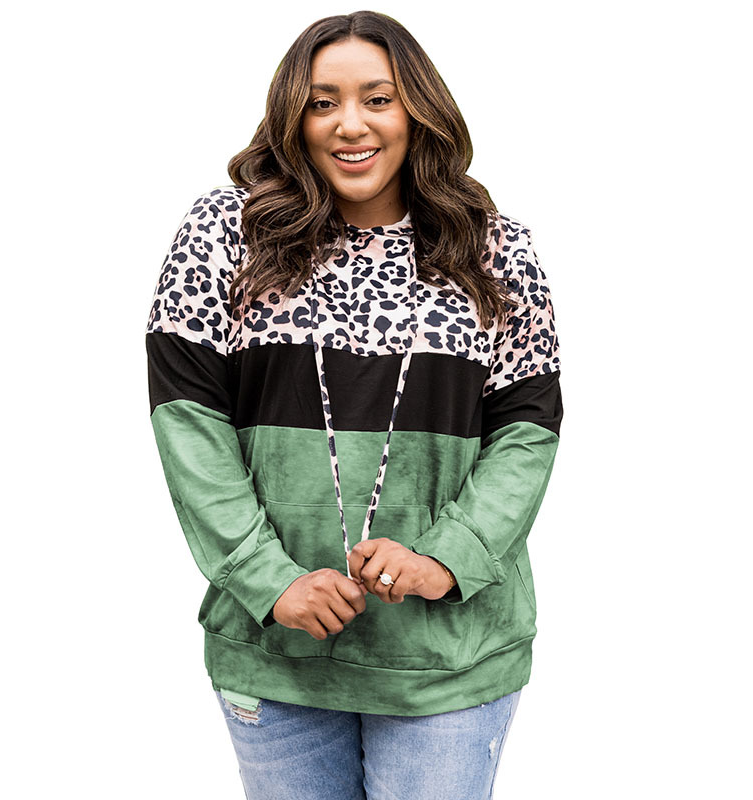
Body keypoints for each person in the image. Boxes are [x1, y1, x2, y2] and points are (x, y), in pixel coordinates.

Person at [145, 10, 563, 800]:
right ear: (292, 117)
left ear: (419, 110)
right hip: (275, 655)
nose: (350, 124)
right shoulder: (224, 234)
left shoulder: (495, 249)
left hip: (447, 657)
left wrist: (446, 558)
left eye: (378, 98)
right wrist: (271, 580)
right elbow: (188, 428)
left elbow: (527, 432)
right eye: (321, 102)